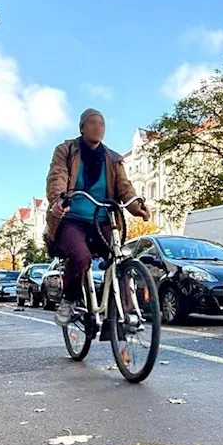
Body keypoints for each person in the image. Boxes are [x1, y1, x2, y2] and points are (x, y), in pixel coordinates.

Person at [44, 108, 149, 326]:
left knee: (120, 258)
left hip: (103, 219)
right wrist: (58, 200)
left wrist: (136, 206)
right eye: (92, 123)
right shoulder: (67, 150)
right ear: (82, 128)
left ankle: (125, 312)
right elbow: (58, 176)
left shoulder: (112, 158)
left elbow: (124, 187)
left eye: (101, 124)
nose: (97, 127)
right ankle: (70, 300)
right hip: (72, 218)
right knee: (81, 257)